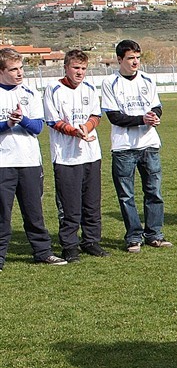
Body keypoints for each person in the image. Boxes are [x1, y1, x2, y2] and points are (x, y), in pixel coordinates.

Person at [101, 39, 172, 253]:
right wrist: (143, 119)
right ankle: (133, 237)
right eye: (131, 58)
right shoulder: (109, 83)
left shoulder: (148, 80)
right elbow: (114, 117)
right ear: (120, 59)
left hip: (149, 145)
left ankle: (155, 234)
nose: (135, 62)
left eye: (138, 58)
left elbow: (157, 106)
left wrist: (154, 116)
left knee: (154, 192)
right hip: (124, 148)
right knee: (126, 196)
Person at [0, 48, 67, 269]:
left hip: (29, 162)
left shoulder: (30, 93)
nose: (19, 73)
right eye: (13, 69)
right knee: (3, 215)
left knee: (34, 212)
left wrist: (22, 120)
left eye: (21, 68)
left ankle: (43, 252)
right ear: (1, 71)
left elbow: (38, 127)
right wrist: (7, 124)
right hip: (3, 164)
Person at [43, 49, 109, 263]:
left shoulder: (90, 88)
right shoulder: (53, 89)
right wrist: (75, 131)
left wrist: (87, 128)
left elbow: (96, 115)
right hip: (65, 156)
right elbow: (53, 121)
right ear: (66, 67)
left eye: (83, 68)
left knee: (92, 202)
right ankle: (69, 245)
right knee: (69, 204)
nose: (80, 72)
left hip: (91, 154)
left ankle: (91, 241)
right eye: (76, 68)